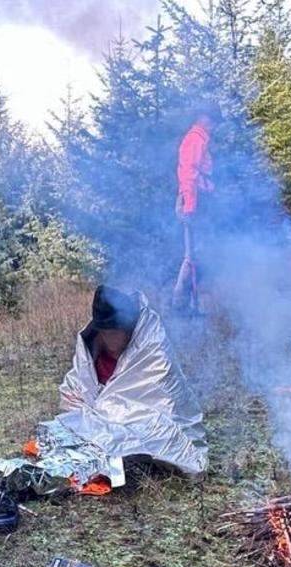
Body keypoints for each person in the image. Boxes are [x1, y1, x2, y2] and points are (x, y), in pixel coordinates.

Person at [55, 285, 208, 476]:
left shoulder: (151, 345)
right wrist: (91, 411)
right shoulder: (92, 344)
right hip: (105, 420)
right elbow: (77, 386)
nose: (115, 339)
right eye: (109, 333)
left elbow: (164, 403)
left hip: (144, 420)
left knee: (160, 437)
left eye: (119, 332)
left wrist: (106, 412)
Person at [173, 104, 220, 312]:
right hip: (194, 202)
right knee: (192, 255)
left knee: (197, 253)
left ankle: (190, 304)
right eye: (212, 119)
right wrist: (190, 207)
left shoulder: (200, 139)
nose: (214, 125)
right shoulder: (195, 139)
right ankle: (182, 306)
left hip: (197, 200)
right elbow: (188, 175)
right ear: (203, 118)